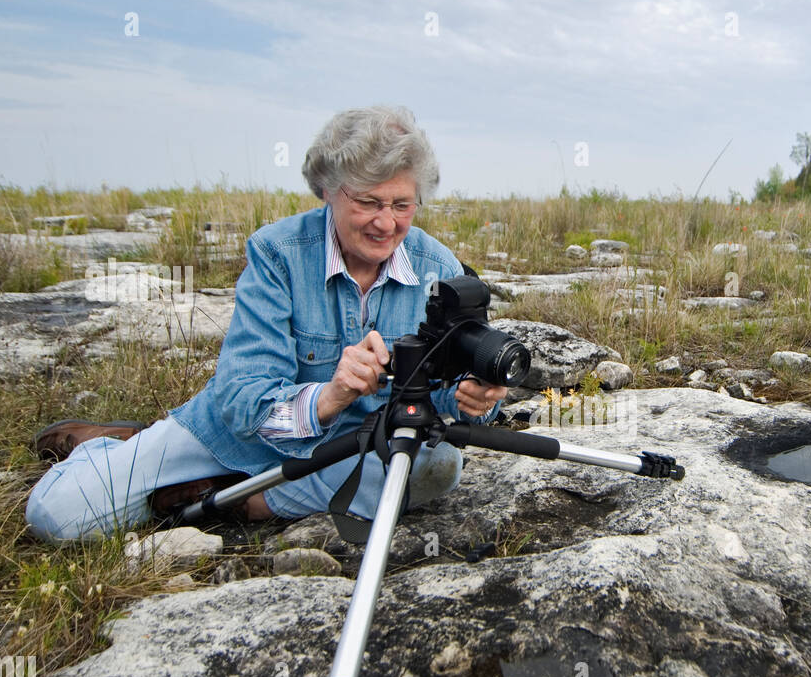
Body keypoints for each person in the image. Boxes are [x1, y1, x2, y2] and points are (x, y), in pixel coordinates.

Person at [26, 106, 507, 542]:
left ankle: (247, 502)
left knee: (438, 465)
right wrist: (331, 396)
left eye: (402, 205)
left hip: (349, 449)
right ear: (327, 191)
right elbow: (241, 398)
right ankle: (109, 445)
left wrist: (473, 399)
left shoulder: (437, 266)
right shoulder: (277, 253)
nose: (386, 223)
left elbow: (444, 391)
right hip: (235, 439)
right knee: (59, 517)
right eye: (367, 202)